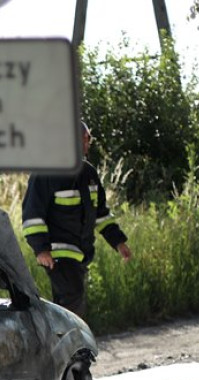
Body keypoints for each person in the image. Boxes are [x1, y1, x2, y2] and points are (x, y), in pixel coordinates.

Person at [21, 122, 132, 319]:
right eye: (84, 140)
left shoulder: (89, 173)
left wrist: (118, 242)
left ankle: (57, 338)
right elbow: (32, 216)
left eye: (89, 140)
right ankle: (73, 339)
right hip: (57, 253)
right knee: (73, 298)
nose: (88, 144)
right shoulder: (45, 174)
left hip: (81, 254)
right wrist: (41, 249)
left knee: (66, 304)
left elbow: (101, 214)